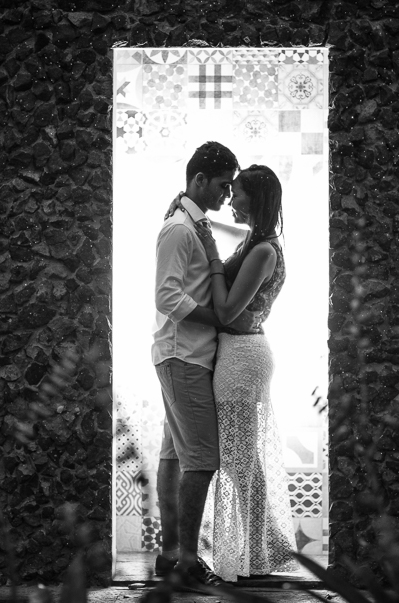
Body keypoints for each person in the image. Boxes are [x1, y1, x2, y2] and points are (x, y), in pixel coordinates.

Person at [151, 141, 258, 590]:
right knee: (202, 462)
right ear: (199, 180)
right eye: (221, 185)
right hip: (184, 356)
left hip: (183, 356)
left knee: (175, 456)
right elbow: (167, 296)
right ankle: (190, 562)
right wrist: (218, 317)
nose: (225, 194)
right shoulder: (179, 229)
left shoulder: (193, 222)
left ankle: (170, 554)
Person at [193, 165, 299, 582]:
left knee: (241, 463)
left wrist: (212, 253)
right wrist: (201, 223)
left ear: (254, 198)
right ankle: (261, 551)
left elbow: (226, 311)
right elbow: (231, 230)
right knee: (242, 461)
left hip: (242, 358)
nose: (231, 200)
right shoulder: (258, 241)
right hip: (241, 352)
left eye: (235, 193)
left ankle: (257, 557)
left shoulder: (263, 251)